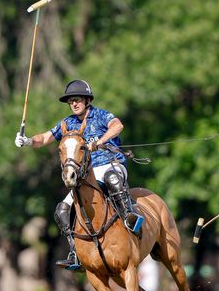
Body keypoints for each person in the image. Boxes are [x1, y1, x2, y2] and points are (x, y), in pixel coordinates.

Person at [14, 80, 144, 270]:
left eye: (77, 100)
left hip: (111, 164)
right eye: (71, 101)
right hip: (88, 175)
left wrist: (100, 141)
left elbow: (117, 126)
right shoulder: (67, 123)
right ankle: (75, 252)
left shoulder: (100, 115)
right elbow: (44, 138)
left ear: (87, 100)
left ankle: (130, 217)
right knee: (62, 210)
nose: (74, 104)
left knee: (113, 180)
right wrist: (27, 141)